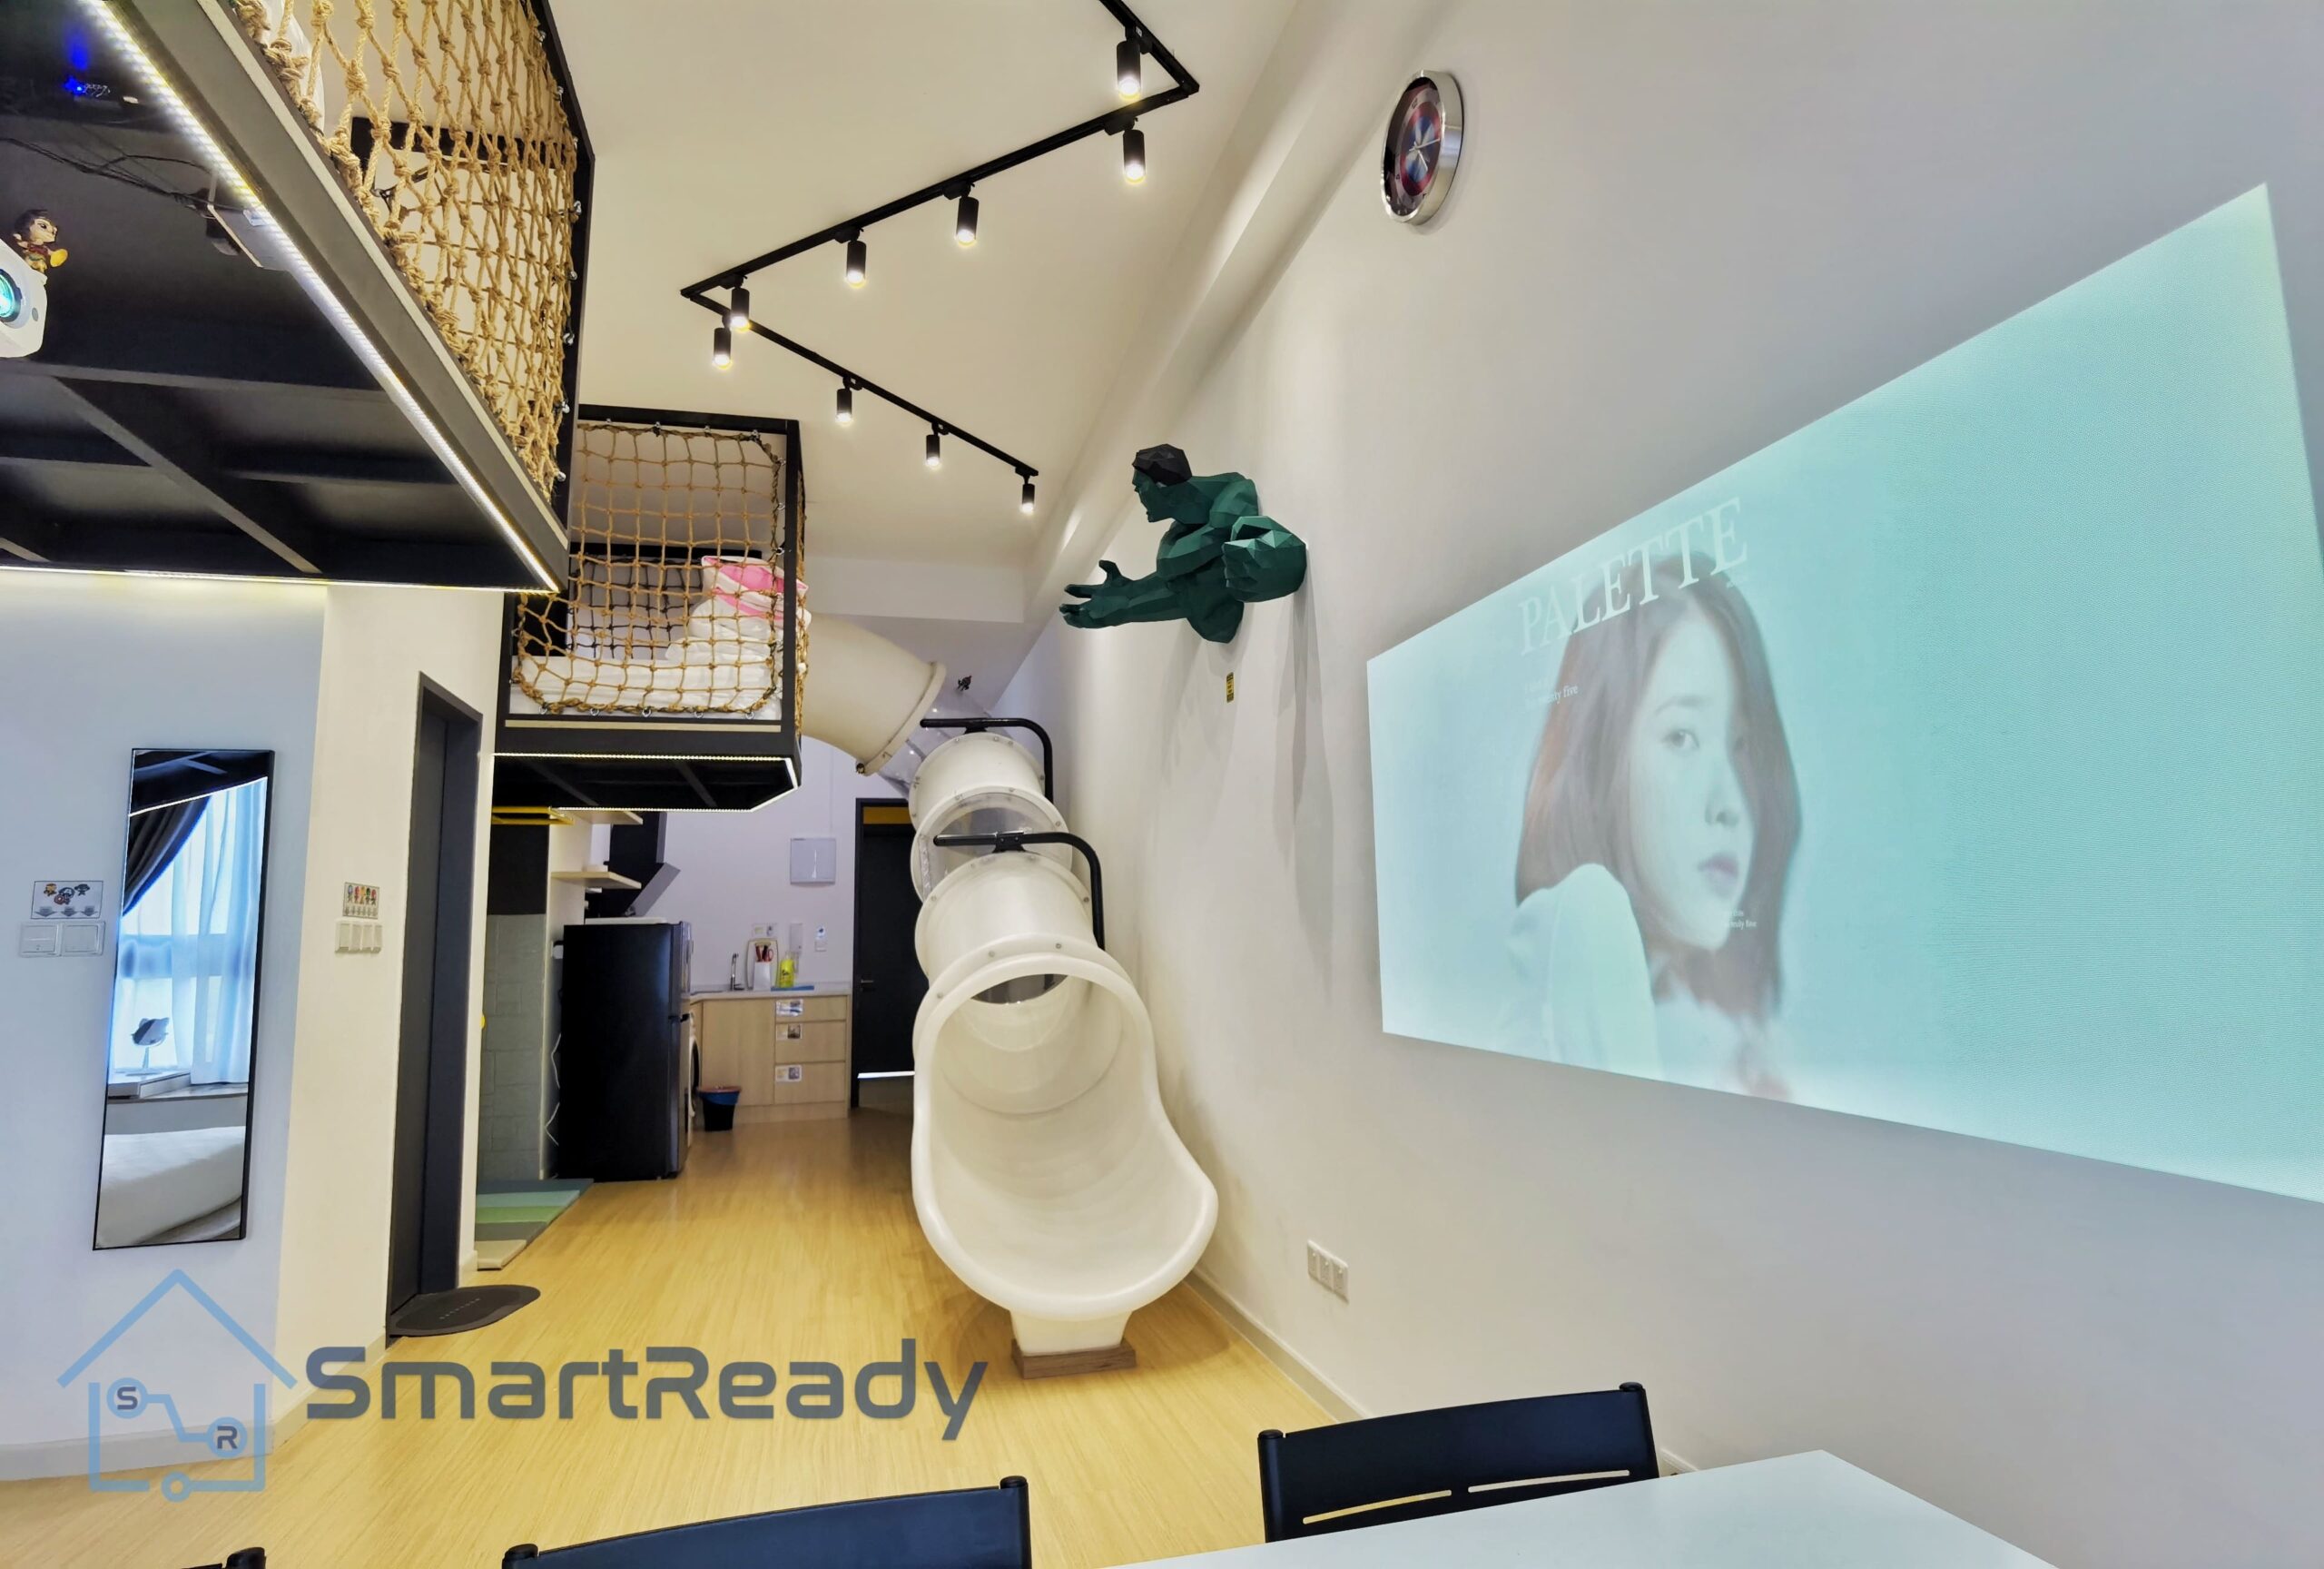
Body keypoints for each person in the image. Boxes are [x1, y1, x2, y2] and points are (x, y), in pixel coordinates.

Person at [1509, 552, 1799, 1095]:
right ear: (1601, 763)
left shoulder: (1714, 1033)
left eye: (1741, 746)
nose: (1730, 803)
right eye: (1682, 737)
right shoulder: (1587, 913)